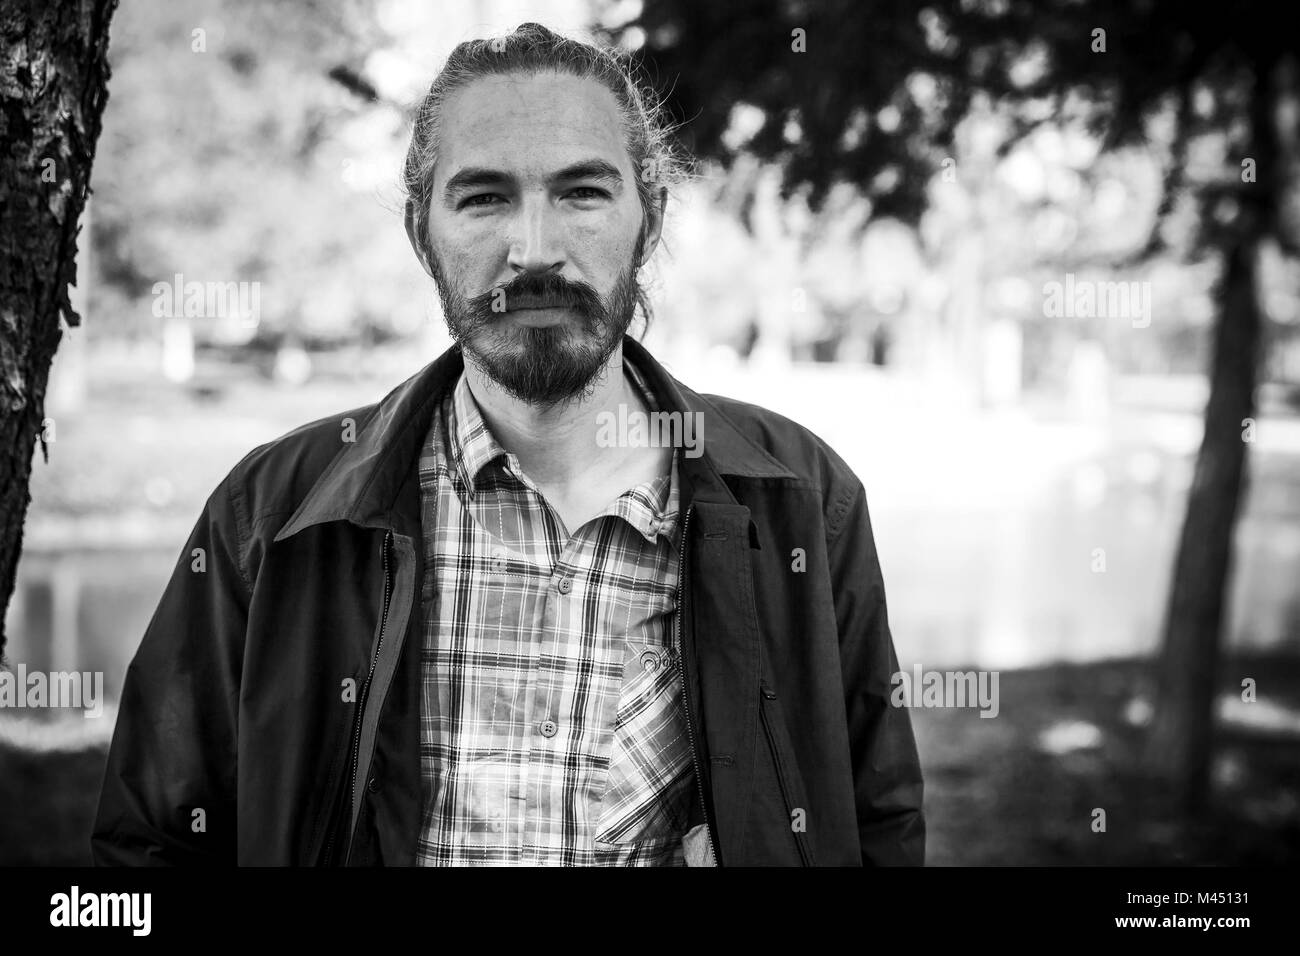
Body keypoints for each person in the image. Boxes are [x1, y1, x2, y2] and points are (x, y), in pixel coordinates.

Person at [92, 22, 924, 867]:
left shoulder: (798, 500)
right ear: (423, 234)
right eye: (484, 197)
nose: (534, 250)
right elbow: (150, 843)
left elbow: (877, 827)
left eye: (582, 193)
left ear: (650, 216)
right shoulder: (271, 514)